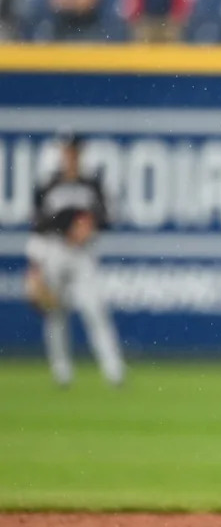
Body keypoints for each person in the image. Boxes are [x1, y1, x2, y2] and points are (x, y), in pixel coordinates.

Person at [25, 132, 125, 387]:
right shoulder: (49, 184)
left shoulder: (92, 184)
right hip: (54, 251)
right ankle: (62, 373)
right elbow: (37, 225)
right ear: (61, 153)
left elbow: (108, 216)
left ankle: (114, 371)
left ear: (81, 153)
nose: (71, 155)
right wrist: (35, 265)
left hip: (83, 254)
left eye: (75, 150)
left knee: (94, 309)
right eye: (67, 150)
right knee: (55, 312)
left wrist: (90, 225)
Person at [123, 0, 193, 43]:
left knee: (171, 49)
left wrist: (178, 16)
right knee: (141, 47)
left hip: (169, 20)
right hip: (145, 20)